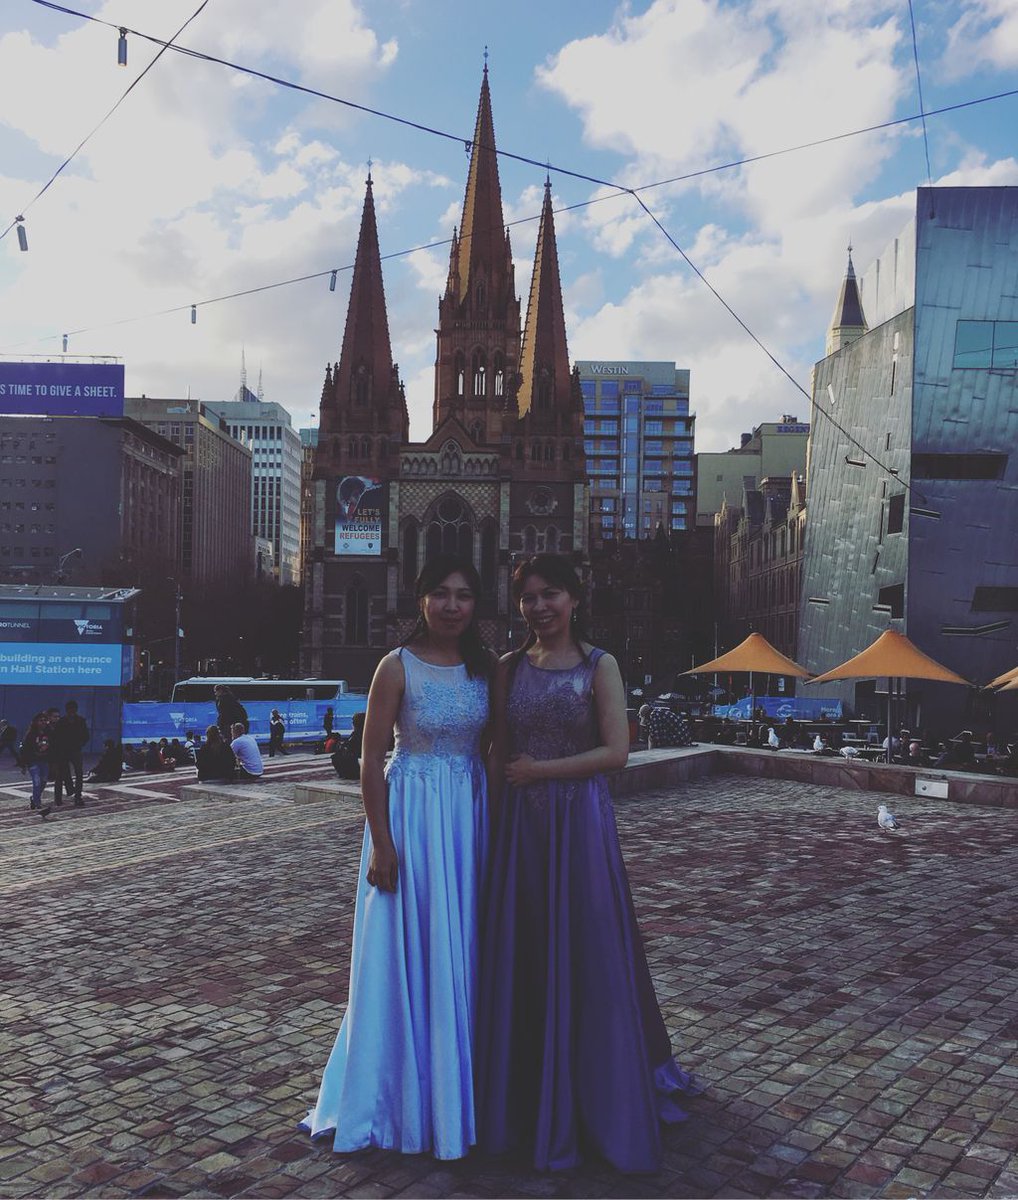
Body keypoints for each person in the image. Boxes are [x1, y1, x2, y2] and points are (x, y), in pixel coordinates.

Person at [477, 554, 700, 1173]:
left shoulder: (601, 665)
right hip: (520, 829)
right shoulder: (506, 668)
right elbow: (496, 751)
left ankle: (594, 1089)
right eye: (528, 598)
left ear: (575, 599)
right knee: (525, 949)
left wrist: (538, 772)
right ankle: (526, 1090)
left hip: (578, 825)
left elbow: (618, 752)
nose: (540, 608)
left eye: (551, 595)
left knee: (587, 947)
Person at [301, 554, 492, 1160]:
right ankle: (400, 1096)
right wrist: (382, 842)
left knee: (462, 945)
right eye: (441, 593)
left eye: (464, 594)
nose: (453, 605)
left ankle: (463, 1090)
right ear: (421, 601)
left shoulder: (486, 667)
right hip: (410, 815)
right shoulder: (395, 666)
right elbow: (369, 760)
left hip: (468, 814)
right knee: (408, 948)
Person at [51, 700, 89, 807]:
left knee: (78, 773)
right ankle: (59, 798)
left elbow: (86, 735)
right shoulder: (62, 722)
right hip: (64, 751)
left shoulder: (80, 721)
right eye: (70, 710)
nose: (72, 712)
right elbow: (56, 737)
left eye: (73, 709)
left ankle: (77, 796)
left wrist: (80, 744)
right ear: (67, 710)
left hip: (75, 750)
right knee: (61, 775)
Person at [18, 712, 53, 816]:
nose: (43, 722)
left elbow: (53, 746)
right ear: (36, 722)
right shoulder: (31, 734)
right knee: (37, 781)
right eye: (40, 720)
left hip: (44, 760)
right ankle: (38, 803)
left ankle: (34, 798)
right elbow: (24, 749)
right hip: (33, 761)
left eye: (44, 720)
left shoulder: (49, 732)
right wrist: (23, 765)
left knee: (44, 781)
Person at [330, 710, 365, 780]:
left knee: (336, 757)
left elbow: (351, 746)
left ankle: (349, 774)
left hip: (357, 760)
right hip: (357, 759)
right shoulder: (357, 734)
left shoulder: (357, 734)